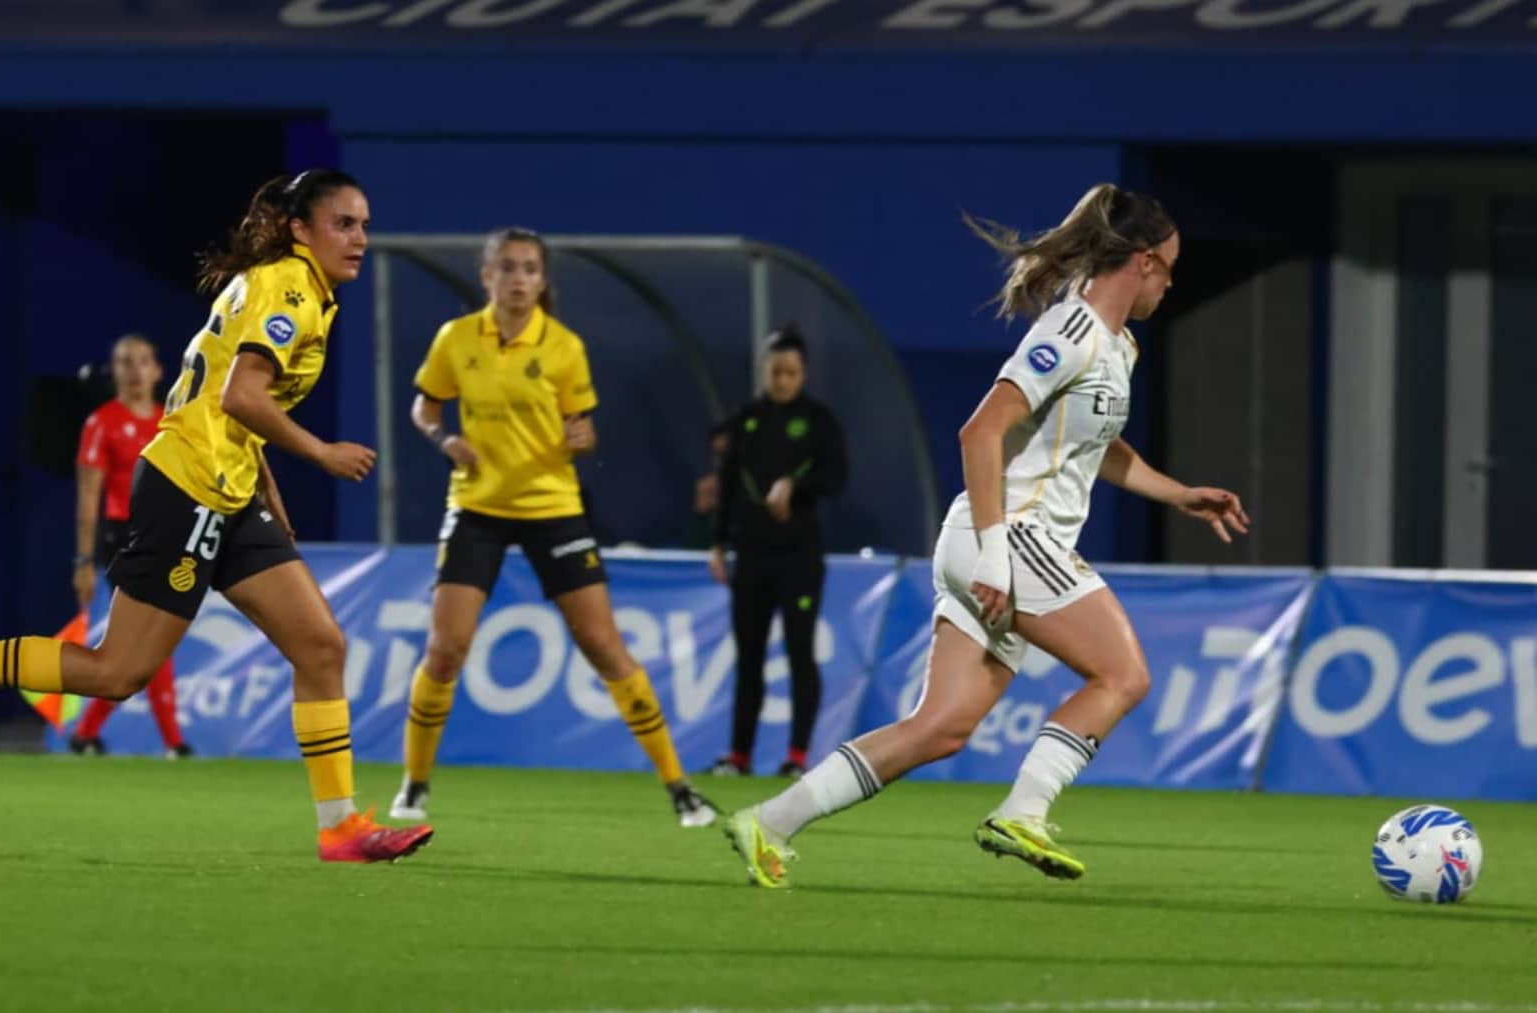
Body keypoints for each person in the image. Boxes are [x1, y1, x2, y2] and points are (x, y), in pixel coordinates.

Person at [0, 170, 432, 864]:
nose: (360, 238)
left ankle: (340, 827)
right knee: (115, 672)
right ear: (300, 229)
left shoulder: (294, 287)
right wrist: (320, 452)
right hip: (187, 486)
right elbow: (241, 395)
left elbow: (223, 395)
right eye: (344, 224)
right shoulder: (290, 286)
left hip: (228, 490)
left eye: (364, 224)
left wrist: (265, 486)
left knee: (320, 646)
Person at [723, 183, 1250, 888]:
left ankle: (769, 820)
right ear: (1145, 261)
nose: (1173, 283)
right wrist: (997, 554)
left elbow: (1096, 443)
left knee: (938, 727)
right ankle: (1023, 811)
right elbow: (981, 430)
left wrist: (1176, 492)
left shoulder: (1119, 347)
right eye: (1172, 267)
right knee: (1123, 675)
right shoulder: (1069, 333)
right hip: (1008, 536)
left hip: (995, 543)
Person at [391, 226, 717, 829]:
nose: (519, 280)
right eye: (508, 268)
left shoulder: (565, 347)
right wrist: (443, 439)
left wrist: (584, 436)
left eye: (530, 269)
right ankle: (414, 783)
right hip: (478, 506)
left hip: (552, 507)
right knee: (445, 649)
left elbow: (581, 429)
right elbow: (424, 406)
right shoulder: (456, 339)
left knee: (603, 646)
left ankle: (680, 787)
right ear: (486, 276)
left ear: (542, 281)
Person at [706, 326, 847, 780]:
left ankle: (797, 757)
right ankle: (739, 756)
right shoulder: (746, 420)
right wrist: (718, 542)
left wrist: (795, 485)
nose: (783, 380)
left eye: (791, 372)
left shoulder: (819, 421)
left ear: (802, 374)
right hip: (751, 555)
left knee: (799, 652)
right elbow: (727, 483)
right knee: (748, 657)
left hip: (799, 556)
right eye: (776, 371)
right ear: (764, 371)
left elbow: (836, 477)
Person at [68, 334, 192, 759]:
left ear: (158, 371)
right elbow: (88, 497)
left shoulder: (171, 422)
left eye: (142, 361)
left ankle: (85, 734)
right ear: (114, 371)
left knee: (141, 645)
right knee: (152, 638)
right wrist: (83, 560)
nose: (134, 370)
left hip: (168, 535)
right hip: (124, 538)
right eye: (124, 361)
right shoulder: (101, 423)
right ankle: (174, 744)